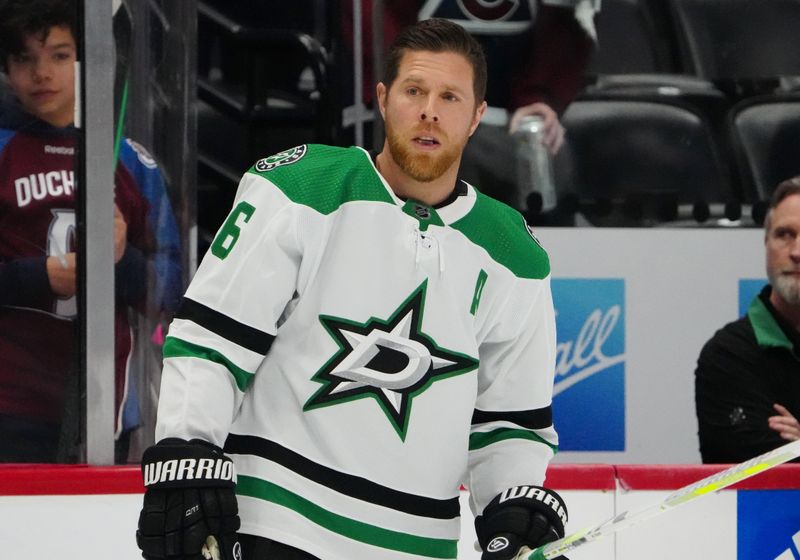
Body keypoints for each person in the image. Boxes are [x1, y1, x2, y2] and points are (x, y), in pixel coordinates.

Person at [137, 18, 567, 560]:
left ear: (478, 114)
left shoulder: (516, 256)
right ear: (384, 100)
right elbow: (212, 342)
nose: (430, 111)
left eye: (450, 97)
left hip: (419, 545)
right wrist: (187, 450)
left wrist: (512, 509)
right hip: (277, 523)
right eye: (414, 91)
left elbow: (510, 422)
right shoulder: (299, 188)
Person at [0, 0, 182, 463]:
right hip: (11, 400)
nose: (42, 73)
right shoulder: (3, 153)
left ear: (87, 59)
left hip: (106, 404)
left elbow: (173, 293)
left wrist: (121, 260)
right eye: (25, 59)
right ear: (6, 68)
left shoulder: (132, 164)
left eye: (59, 55)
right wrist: (40, 277)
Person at [339, 0, 597, 214]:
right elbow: (383, 39)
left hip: (513, 116)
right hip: (419, 112)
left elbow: (563, 29)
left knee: (551, 163)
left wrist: (540, 97)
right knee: (453, 165)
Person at [695, 177, 800, 464]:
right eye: (785, 234)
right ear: (767, 242)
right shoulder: (727, 355)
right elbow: (753, 469)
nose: (797, 252)